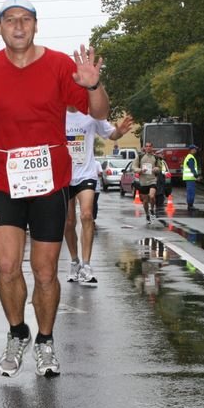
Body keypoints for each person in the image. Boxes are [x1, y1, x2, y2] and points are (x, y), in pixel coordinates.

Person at [0, 0, 109, 378]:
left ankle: (45, 341)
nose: (18, 26)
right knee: (6, 265)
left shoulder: (60, 65)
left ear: (36, 25)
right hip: (4, 180)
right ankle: (18, 333)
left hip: (49, 183)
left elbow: (99, 113)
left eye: (26, 19)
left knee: (45, 271)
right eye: (10, 19)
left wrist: (94, 84)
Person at [65, 110, 132, 286]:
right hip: (63, 175)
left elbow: (111, 134)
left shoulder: (92, 115)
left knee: (87, 215)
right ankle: (74, 262)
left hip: (86, 174)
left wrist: (120, 132)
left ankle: (86, 265)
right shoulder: (56, 112)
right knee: (68, 222)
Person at [136, 141, 164, 224]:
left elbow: (160, 167)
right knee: (145, 201)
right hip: (143, 181)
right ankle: (147, 214)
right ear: (145, 148)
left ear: (152, 148)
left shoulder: (155, 157)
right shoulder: (140, 157)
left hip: (152, 180)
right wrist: (140, 170)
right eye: (146, 146)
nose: (148, 147)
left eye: (149, 146)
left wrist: (157, 169)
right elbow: (133, 167)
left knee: (151, 196)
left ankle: (152, 209)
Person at [183, 144, 201, 211]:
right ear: (191, 150)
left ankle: (190, 205)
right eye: (195, 149)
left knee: (190, 192)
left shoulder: (189, 157)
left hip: (189, 178)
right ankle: (190, 206)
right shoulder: (190, 158)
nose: (196, 150)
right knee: (191, 192)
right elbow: (192, 168)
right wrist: (196, 176)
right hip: (190, 178)